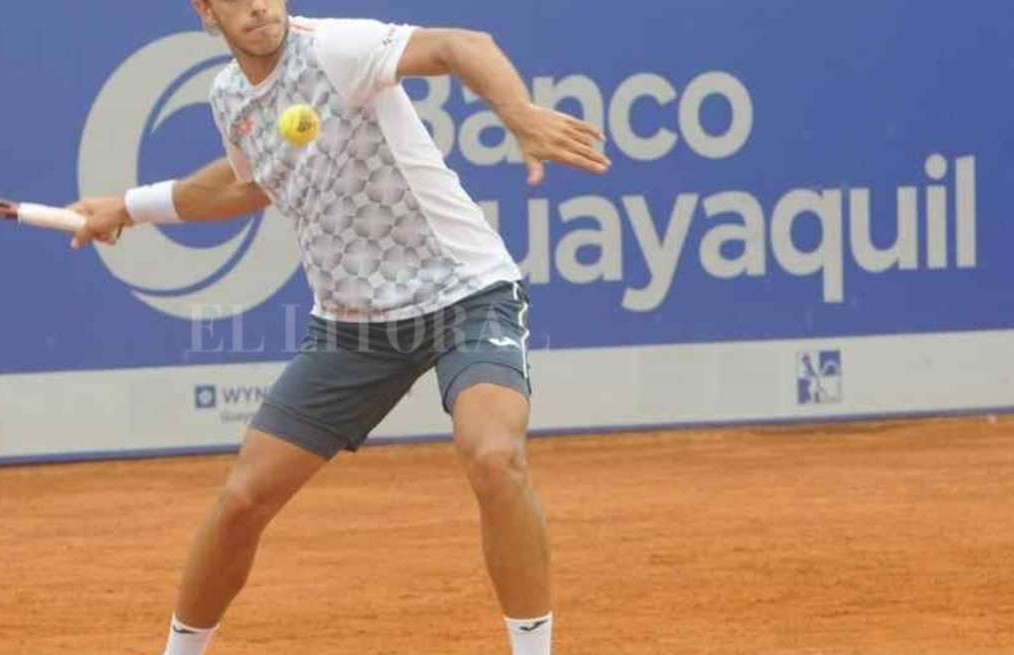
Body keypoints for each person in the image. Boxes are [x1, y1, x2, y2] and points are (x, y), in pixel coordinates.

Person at [67, 1, 610, 653]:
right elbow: (249, 184)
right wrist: (129, 205)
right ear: (206, 10)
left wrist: (520, 115)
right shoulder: (230, 96)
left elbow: (460, 45)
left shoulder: (337, 49)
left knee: (494, 455)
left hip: (463, 291)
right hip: (352, 325)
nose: (257, 6)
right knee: (243, 499)